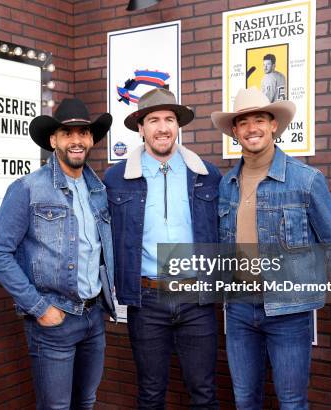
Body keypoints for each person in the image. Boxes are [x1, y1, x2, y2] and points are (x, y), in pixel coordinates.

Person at [211, 87, 331, 409]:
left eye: (259, 120)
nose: (251, 128)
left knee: (292, 402)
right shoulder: (227, 184)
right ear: (235, 131)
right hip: (239, 310)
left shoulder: (305, 180)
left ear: (273, 125)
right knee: (245, 400)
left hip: (290, 312)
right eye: (243, 122)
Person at [0, 98, 116, 410]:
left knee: (86, 401)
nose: (76, 140)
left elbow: (98, 250)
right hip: (54, 319)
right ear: (53, 140)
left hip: (93, 317)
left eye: (83, 133)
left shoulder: (98, 189)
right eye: (67, 133)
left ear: (92, 139)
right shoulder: (28, 188)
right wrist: (38, 307)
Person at [104, 88, 221, 409]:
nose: (162, 127)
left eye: (169, 119)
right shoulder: (116, 178)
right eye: (153, 120)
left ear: (178, 125)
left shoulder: (207, 175)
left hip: (197, 298)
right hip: (147, 299)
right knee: (151, 392)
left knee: (204, 391)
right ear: (140, 127)